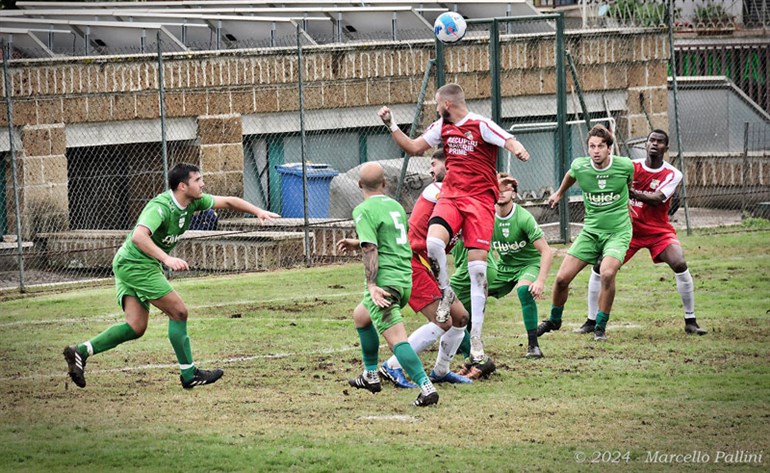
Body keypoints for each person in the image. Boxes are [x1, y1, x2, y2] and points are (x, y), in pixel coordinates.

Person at [63, 163, 280, 389]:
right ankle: (189, 374)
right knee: (179, 312)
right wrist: (166, 259)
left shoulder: (194, 201)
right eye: (198, 180)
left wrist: (257, 211)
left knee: (136, 326)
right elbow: (139, 236)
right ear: (182, 186)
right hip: (136, 264)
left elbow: (228, 201)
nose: (203, 184)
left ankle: (80, 351)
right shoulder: (161, 207)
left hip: (133, 263)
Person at [378, 83, 529, 367]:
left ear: (447, 104)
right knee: (435, 243)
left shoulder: (480, 124)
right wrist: (391, 124)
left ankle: (477, 340)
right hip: (452, 197)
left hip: (480, 201)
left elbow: (506, 138)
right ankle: (445, 291)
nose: (435, 109)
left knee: (478, 269)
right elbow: (412, 147)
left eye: (437, 104)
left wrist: (518, 148)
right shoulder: (441, 129)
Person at [578, 129, 706, 336]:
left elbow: (657, 198)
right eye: (651, 140)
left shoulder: (673, 173)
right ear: (645, 145)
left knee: (679, 263)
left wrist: (630, 192)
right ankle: (591, 321)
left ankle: (690, 320)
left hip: (658, 231)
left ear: (666, 147)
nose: (655, 144)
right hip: (628, 230)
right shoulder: (631, 166)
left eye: (660, 142)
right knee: (600, 267)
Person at [336, 162, 439, 407]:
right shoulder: (395, 206)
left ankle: (426, 388)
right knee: (361, 316)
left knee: (396, 340)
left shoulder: (362, 209)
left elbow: (371, 248)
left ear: (359, 185)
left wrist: (372, 285)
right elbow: (384, 239)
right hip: (404, 278)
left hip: (385, 282)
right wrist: (356, 242)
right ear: (384, 184)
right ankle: (371, 375)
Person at [379, 151, 473, 388]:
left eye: (434, 164)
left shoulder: (457, 196)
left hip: (428, 266)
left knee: (460, 317)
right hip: (411, 263)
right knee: (443, 322)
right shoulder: (437, 191)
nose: (430, 170)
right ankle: (392, 366)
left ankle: (441, 371)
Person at [537, 124, 634, 341]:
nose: (596, 150)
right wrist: (559, 193)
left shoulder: (625, 166)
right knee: (562, 278)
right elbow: (571, 175)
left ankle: (599, 326)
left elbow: (629, 184)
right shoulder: (580, 166)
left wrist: (627, 204)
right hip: (590, 232)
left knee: (607, 273)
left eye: (600, 146)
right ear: (588, 148)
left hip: (617, 232)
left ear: (609, 148)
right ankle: (554, 319)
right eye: (592, 146)